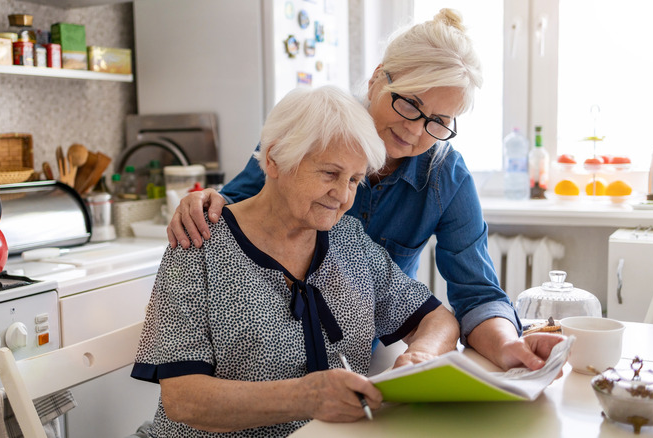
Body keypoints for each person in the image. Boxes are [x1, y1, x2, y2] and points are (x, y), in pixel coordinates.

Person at [166, 9, 564, 371]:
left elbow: (477, 294)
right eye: (410, 103)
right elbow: (238, 209)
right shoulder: (311, 131)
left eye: (438, 121)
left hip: (364, 355)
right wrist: (203, 201)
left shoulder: (446, 177)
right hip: (269, 356)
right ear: (378, 78)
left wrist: (509, 345)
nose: (414, 129)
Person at [131, 85, 460, 436]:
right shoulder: (199, 242)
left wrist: (421, 355)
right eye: (330, 174)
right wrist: (306, 397)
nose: (343, 195)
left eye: (355, 179)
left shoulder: (350, 241)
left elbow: (437, 319)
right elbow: (183, 399)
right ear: (274, 159)